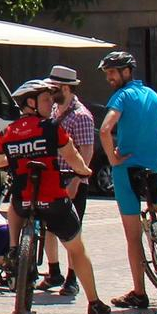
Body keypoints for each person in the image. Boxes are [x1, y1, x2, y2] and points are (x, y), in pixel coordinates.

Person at [0, 79, 108, 314]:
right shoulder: (52, 128)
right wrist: (84, 171)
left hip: (23, 203)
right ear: (31, 103)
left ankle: (14, 250)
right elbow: (72, 155)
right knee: (77, 248)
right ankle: (94, 302)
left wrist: (12, 160)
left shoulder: (7, 132)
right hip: (53, 200)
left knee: (15, 204)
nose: (50, 103)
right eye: (45, 99)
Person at [97, 49, 157, 312]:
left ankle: (139, 293)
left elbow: (105, 130)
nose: (109, 79)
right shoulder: (153, 95)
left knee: (132, 236)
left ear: (126, 72)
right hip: (152, 168)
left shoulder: (121, 97)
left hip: (126, 171)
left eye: (112, 73)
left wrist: (113, 159)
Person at [45, 66, 98, 295]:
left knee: (72, 231)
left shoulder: (82, 116)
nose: (50, 90)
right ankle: (53, 272)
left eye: (53, 87)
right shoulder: (53, 110)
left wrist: (78, 179)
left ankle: (72, 278)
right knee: (48, 227)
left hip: (72, 178)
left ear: (65, 88)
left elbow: (87, 152)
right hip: (53, 177)